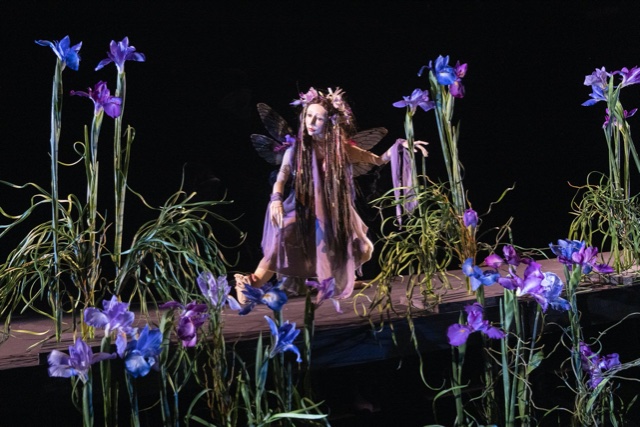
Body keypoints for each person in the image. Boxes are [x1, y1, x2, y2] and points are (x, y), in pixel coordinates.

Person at [235, 87, 426, 303]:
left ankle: (339, 280)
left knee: (363, 249)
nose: (311, 122)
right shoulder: (296, 149)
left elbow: (377, 160)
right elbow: (281, 177)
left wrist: (399, 146)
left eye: (318, 118)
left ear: (330, 123)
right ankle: (249, 283)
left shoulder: (341, 149)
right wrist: (276, 200)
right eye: (308, 116)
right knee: (281, 246)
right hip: (302, 206)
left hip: (333, 208)